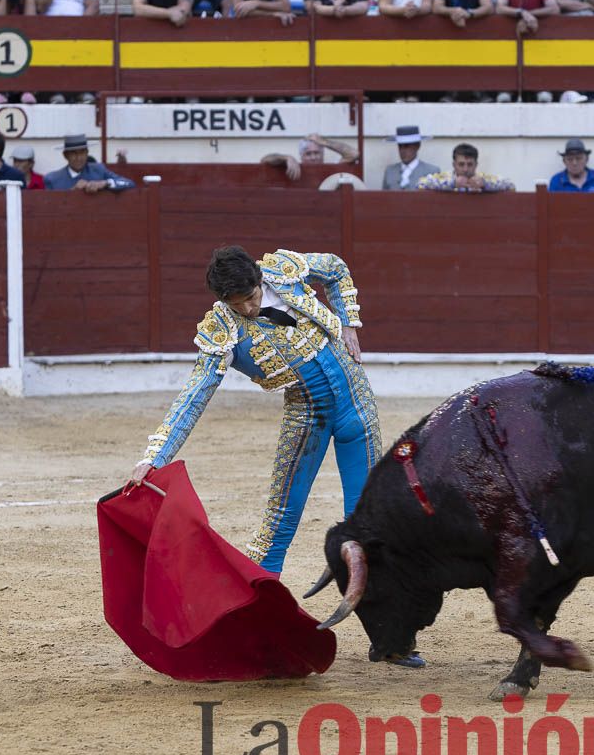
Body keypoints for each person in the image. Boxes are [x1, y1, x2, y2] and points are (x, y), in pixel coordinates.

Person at [128, 246, 381, 580]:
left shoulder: (284, 269)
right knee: (280, 517)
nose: (248, 309)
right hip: (308, 416)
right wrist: (154, 457)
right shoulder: (222, 330)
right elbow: (193, 396)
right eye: (236, 305)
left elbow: (335, 268)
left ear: (260, 279)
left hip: (357, 401)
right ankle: (261, 603)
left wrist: (349, 324)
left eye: (250, 297)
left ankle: (380, 603)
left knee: (368, 512)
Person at [43, 135, 136, 192]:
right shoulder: (52, 179)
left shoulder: (99, 170)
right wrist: (72, 192)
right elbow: (51, 208)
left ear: (87, 153)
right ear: (65, 155)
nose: (79, 158)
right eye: (73, 153)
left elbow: (129, 183)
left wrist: (105, 183)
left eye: (82, 152)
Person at [417, 142, 514, 192]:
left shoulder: (482, 179)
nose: (465, 169)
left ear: (476, 165)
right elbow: (419, 184)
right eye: (461, 164)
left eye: (470, 164)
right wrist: (452, 183)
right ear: (454, 165)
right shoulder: (445, 178)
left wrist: (485, 184)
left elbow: (511, 186)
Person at [261, 134, 359, 182]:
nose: (313, 157)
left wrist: (324, 142)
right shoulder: (293, 167)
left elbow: (354, 154)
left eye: (317, 153)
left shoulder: (332, 168)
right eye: (308, 154)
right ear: (301, 156)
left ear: (323, 154)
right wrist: (286, 158)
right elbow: (264, 160)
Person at [381, 125, 440, 190]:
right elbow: (384, 198)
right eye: (400, 146)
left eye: (406, 146)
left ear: (417, 146)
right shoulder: (390, 171)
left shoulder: (431, 172)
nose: (402, 151)